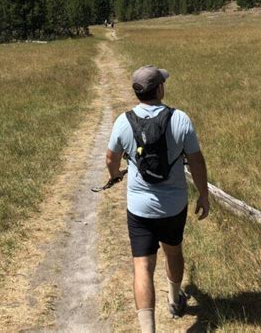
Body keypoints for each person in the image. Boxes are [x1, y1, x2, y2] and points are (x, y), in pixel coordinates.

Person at [106, 65, 209, 333]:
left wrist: (116, 175)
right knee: (173, 251)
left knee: (142, 267)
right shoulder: (181, 119)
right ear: (160, 89)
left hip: (139, 209)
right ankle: (174, 301)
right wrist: (204, 195)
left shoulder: (123, 121)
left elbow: (110, 158)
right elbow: (197, 162)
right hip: (174, 206)